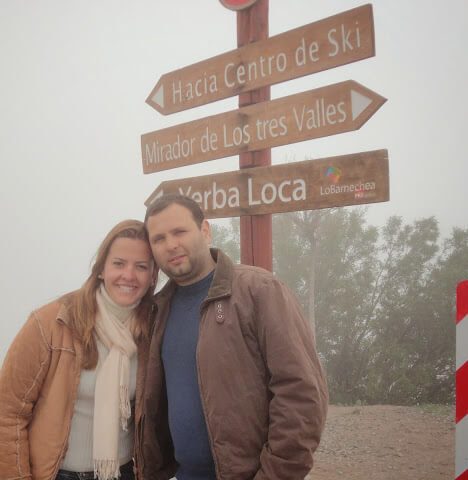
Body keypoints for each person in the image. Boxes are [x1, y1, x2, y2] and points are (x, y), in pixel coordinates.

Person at [134, 194, 328, 480]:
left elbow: (301, 394)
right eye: (159, 238)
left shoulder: (259, 290)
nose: (171, 244)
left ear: (205, 230)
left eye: (180, 232)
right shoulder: (156, 310)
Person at [0, 220, 157, 480]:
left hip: (124, 473)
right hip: (59, 474)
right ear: (100, 268)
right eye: (119, 263)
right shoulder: (52, 322)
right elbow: (8, 414)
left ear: (152, 276)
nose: (129, 275)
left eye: (141, 267)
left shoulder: (152, 330)